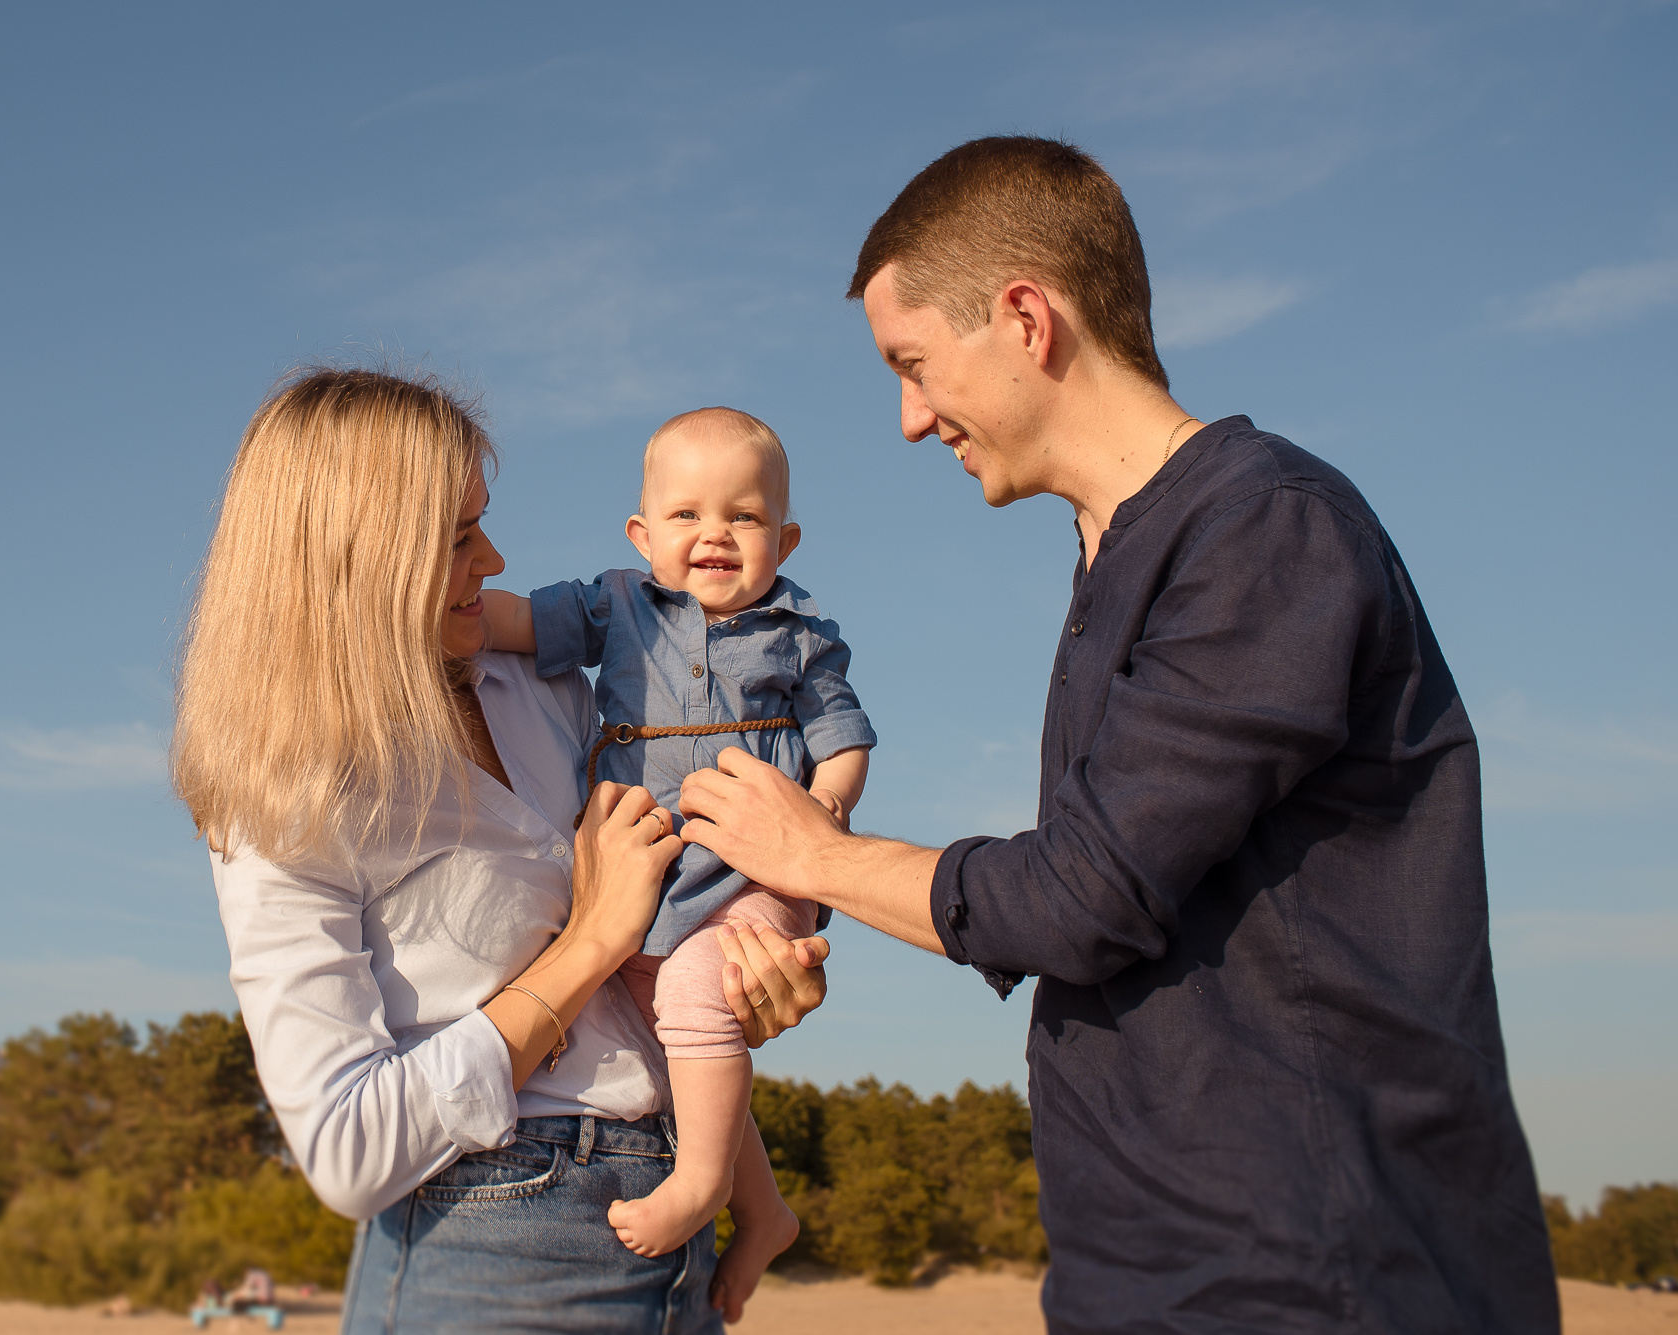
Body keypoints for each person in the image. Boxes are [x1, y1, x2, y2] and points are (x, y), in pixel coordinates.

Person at [674, 137, 1560, 1333]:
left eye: (914, 365)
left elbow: (1083, 896)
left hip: (1313, 1273)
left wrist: (813, 856)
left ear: (1025, 318)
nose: (906, 418)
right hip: (1147, 1271)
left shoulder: (1261, 531)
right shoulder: (1118, 554)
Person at [170, 368, 830, 1332]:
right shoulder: (285, 797)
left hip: (676, 1218)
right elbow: (350, 1152)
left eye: (483, 522)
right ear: (356, 557)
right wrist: (589, 944)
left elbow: (678, 904)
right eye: (456, 537)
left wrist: (752, 971)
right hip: (485, 1242)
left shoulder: (548, 686)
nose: (495, 557)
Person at [483, 406, 873, 1265]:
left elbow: (843, 742)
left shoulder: (801, 635)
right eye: (688, 515)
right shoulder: (617, 604)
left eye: (745, 515)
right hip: (647, 874)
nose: (716, 534)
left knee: (698, 993)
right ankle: (764, 1210)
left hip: (753, 876)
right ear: (642, 532)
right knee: (677, 1032)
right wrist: (445, 618)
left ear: (786, 537)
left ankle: (700, 1185)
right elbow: (516, 623)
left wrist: (827, 816)